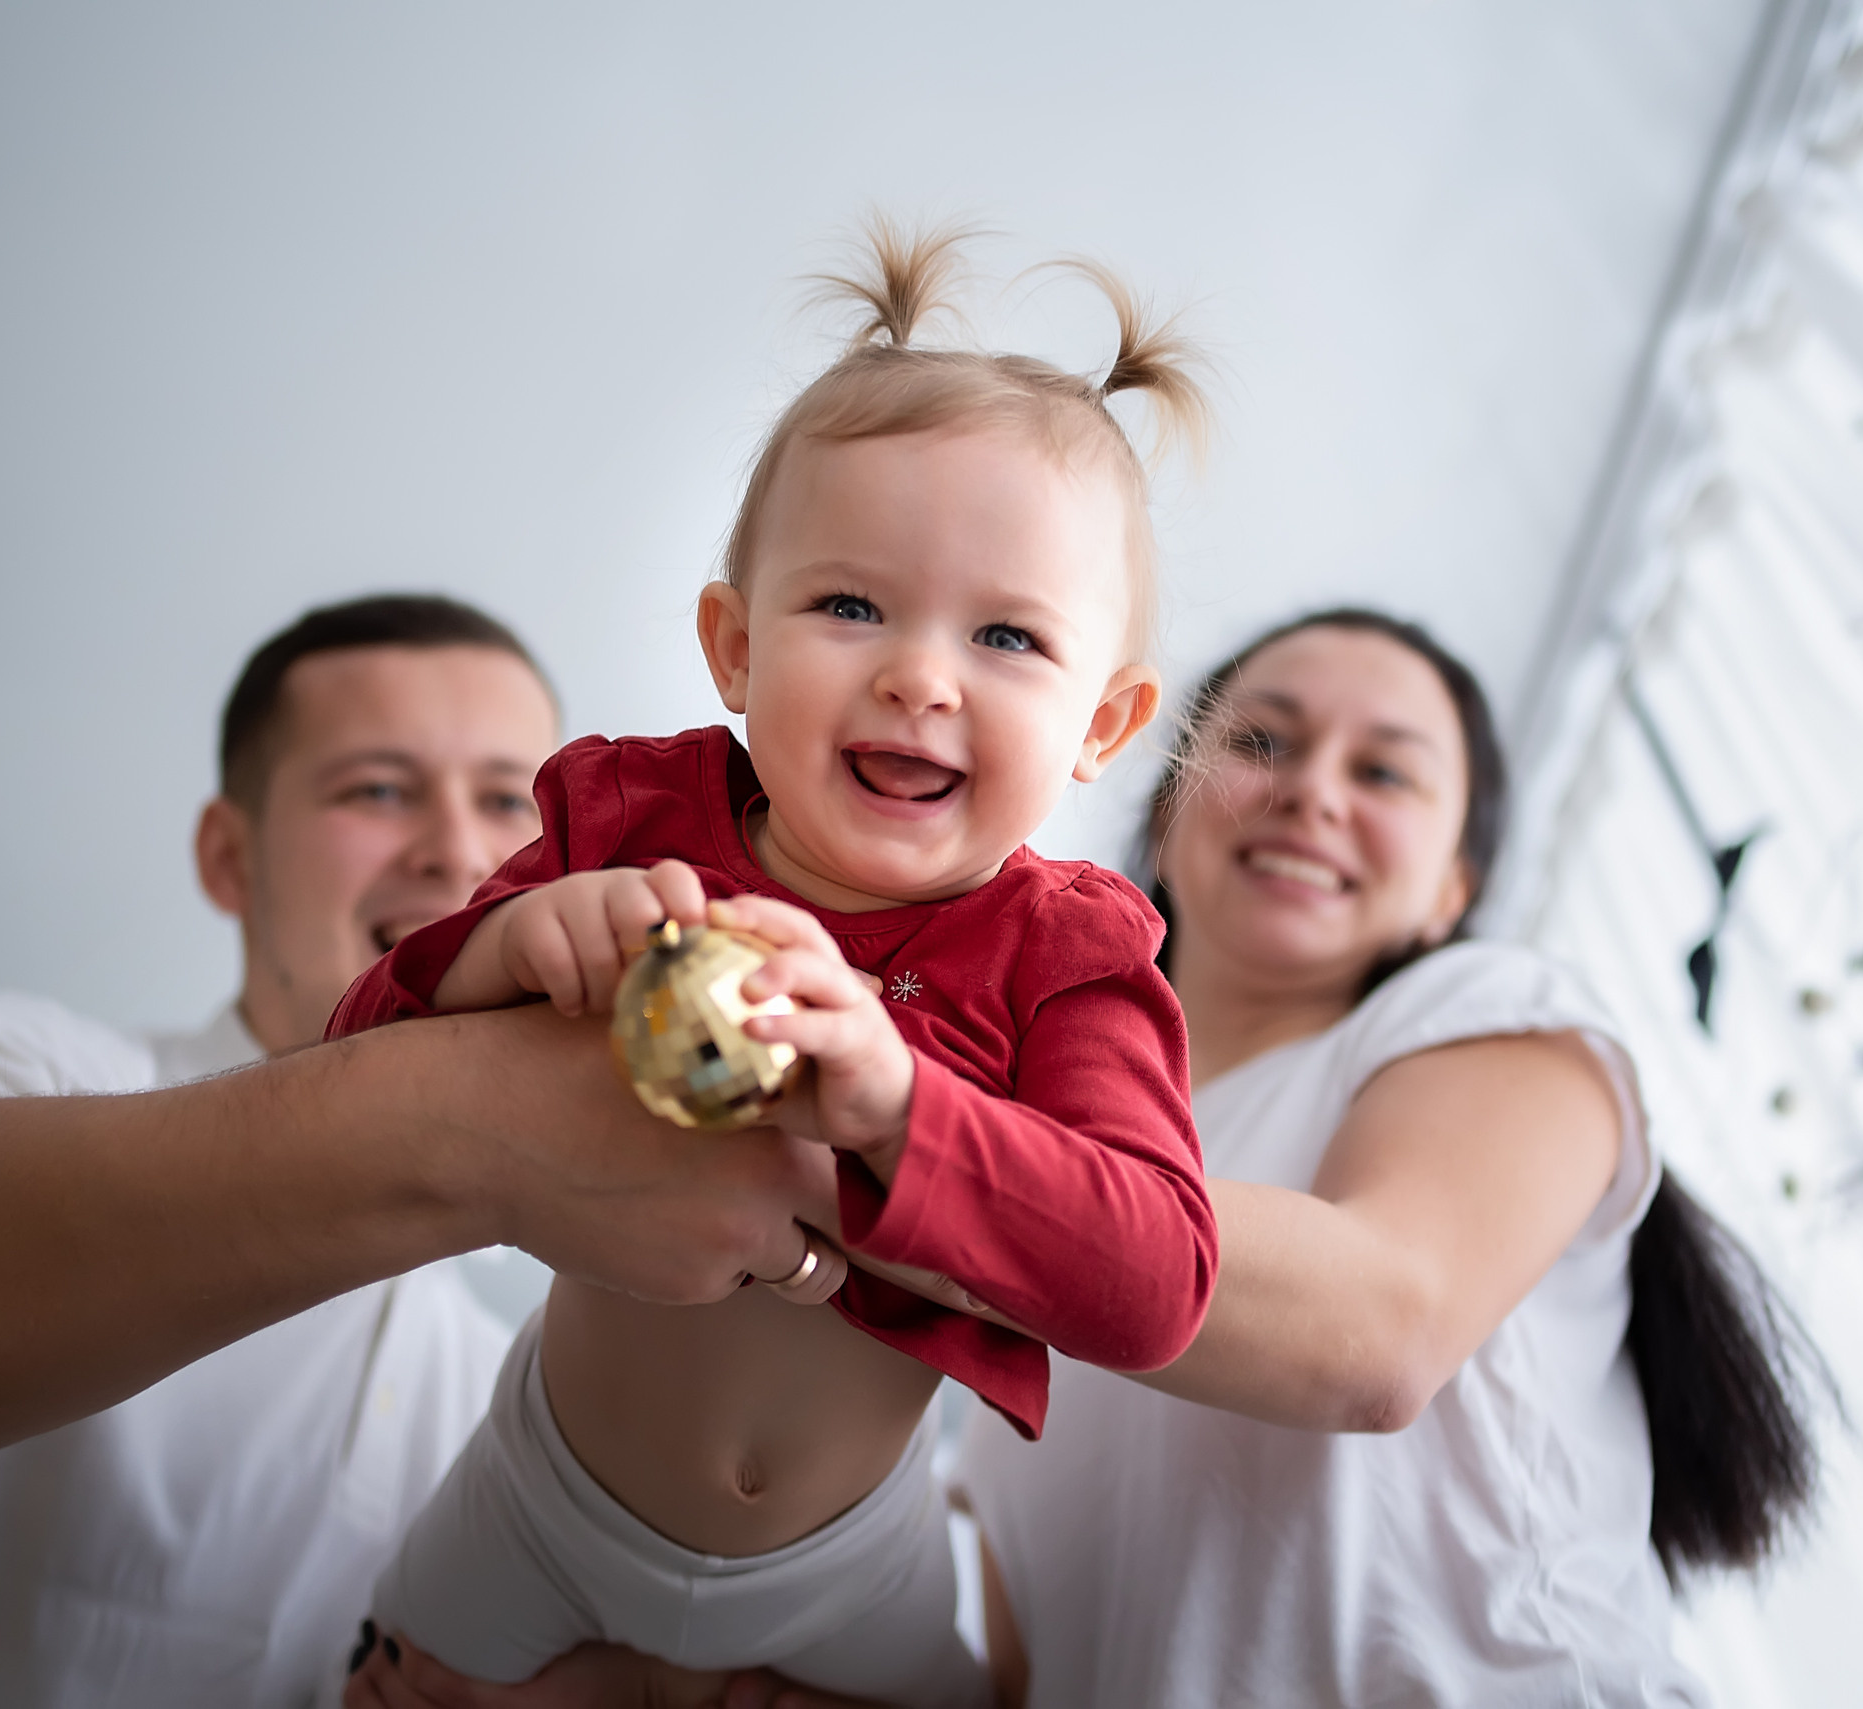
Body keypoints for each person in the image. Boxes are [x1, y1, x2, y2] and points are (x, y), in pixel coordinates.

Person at [0, 593, 844, 1708]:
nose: (452, 850)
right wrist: (482, 1124)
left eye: (507, 799)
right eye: (378, 788)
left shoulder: (518, 1402)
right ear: (230, 857)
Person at [332, 225, 1218, 1704]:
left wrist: (895, 1102)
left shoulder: (1070, 952)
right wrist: (501, 949)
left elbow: (1159, 1285)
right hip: (540, 1503)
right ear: (733, 646)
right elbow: (341, 1067)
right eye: (851, 606)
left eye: (1007, 635)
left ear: (1102, 727)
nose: (919, 675)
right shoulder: (628, 818)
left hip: (855, 1557)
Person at [959, 609, 1822, 1706]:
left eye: (1384, 771)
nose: (1313, 791)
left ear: (1452, 889)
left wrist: (909, 1162)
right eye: (1261, 742)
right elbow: (1030, 1666)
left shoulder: (1494, 1012)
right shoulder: (1039, 1170)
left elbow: (1375, 1333)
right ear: (1167, 805)